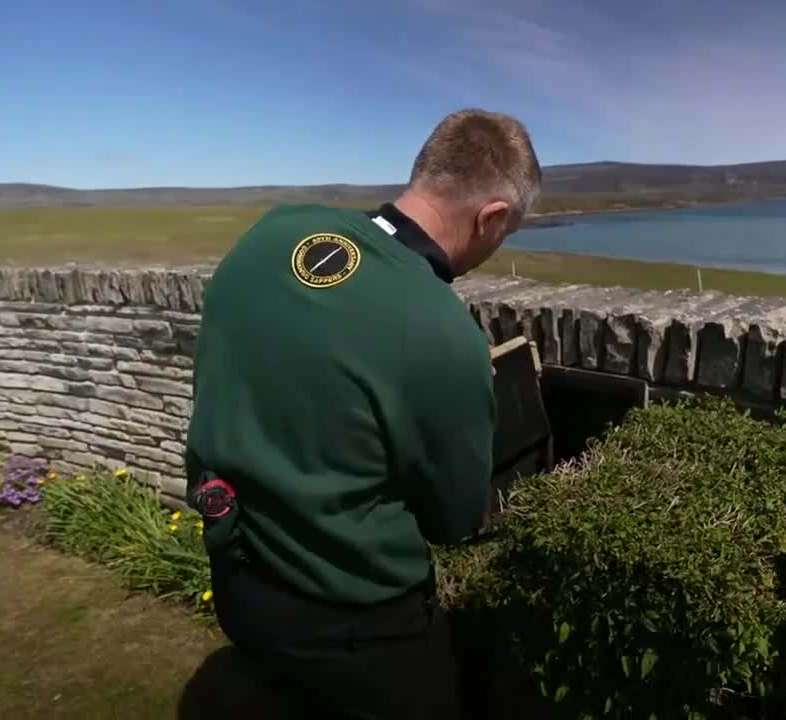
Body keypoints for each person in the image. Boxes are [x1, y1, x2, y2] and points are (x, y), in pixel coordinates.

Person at [182, 108, 541, 719]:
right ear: (493, 217)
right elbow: (453, 518)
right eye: (505, 233)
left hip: (239, 573)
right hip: (356, 618)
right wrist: (459, 394)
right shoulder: (443, 333)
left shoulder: (276, 231)